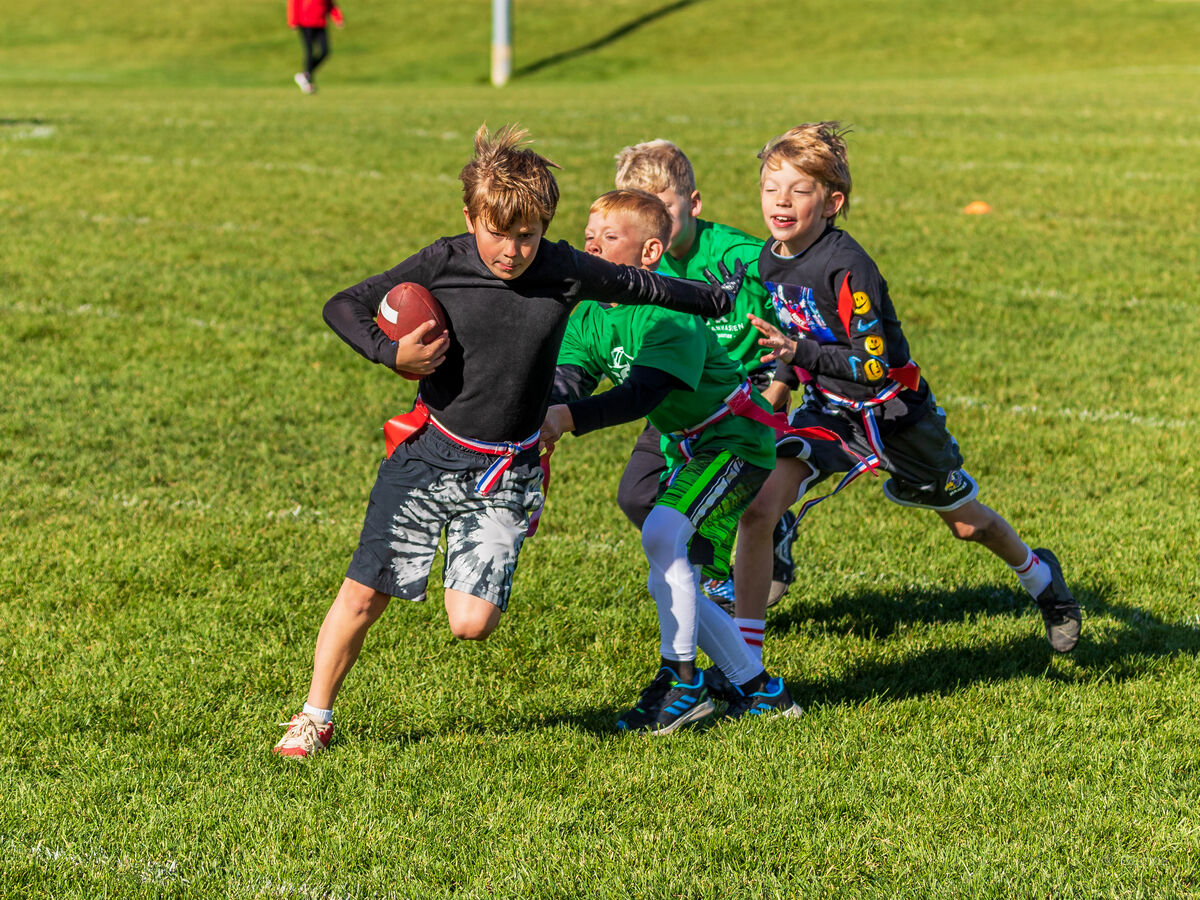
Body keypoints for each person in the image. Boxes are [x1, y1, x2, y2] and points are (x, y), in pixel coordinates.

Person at [273, 126, 732, 758]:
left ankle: (481, 536)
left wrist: (716, 299)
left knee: (471, 623)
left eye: (528, 235)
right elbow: (343, 304)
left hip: (507, 469)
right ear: (471, 219)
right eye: (498, 233)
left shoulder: (563, 269)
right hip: (429, 455)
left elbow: (641, 286)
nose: (513, 251)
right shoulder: (445, 260)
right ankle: (313, 717)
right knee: (366, 592)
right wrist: (390, 353)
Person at [731, 122, 1082, 667]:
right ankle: (745, 665)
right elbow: (798, 336)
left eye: (799, 190)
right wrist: (780, 385)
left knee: (968, 525)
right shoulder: (770, 258)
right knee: (758, 509)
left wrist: (796, 352)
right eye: (770, 188)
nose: (781, 200)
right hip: (831, 411)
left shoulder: (849, 267)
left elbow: (871, 367)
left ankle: (1044, 582)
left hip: (895, 413)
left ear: (832, 203)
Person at [543, 189, 802, 735]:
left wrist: (566, 419)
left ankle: (682, 682)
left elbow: (641, 395)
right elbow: (569, 379)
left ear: (650, 253)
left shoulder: (672, 313)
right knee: (669, 573)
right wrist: (532, 416)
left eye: (609, 237)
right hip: (687, 446)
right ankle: (761, 691)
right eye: (589, 236)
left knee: (663, 538)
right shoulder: (591, 312)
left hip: (734, 441)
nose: (592, 246)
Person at [612, 140, 798, 629]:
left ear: (693, 203)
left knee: (752, 504)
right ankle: (718, 565)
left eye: (664, 208)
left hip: (748, 399)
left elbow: (797, 316)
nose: (654, 223)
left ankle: (763, 532)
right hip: (682, 401)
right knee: (637, 495)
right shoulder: (638, 267)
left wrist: (779, 386)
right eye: (642, 211)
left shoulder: (740, 255)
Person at [287, 0, 344, 95]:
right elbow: (295, 3)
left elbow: (330, 4)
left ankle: (305, 75)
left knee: (325, 51)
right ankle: (308, 81)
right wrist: (293, 21)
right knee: (309, 52)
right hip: (305, 22)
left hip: (320, 23)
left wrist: (337, 17)